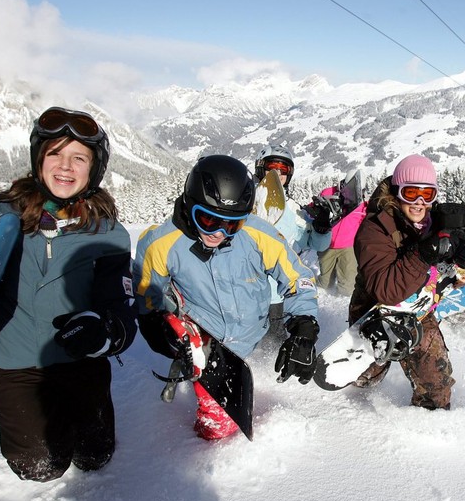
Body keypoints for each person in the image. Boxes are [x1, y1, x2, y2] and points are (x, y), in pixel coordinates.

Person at [0, 107, 137, 482]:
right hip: (10, 360)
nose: (66, 166)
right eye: (55, 154)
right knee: (41, 467)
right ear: (38, 159)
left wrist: (105, 332)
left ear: (93, 169)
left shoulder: (107, 233)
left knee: (95, 456)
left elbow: (120, 307)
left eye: (78, 158)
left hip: (78, 356)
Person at [133, 155, 320, 441]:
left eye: (231, 225)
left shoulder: (257, 234)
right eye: (208, 220)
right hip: (209, 347)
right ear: (189, 204)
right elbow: (148, 302)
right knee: (220, 429)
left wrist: (304, 326)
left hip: (255, 333)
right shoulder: (161, 243)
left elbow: (298, 277)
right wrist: (163, 335)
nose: (218, 233)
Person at [349, 154, 465, 410]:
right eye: (411, 192)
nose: (418, 202)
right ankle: (357, 401)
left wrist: (457, 262)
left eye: (427, 195)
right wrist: (425, 252)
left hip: (418, 310)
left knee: (436, 384)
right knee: (369, 370)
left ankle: (425, 432)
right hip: (376, 310)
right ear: (397, 193)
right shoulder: (375, 229)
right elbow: (387, 290)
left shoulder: (433, 223)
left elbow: (444, 258)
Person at [254, 145, 332, 336]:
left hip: (277, 294)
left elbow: (316, 244)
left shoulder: (293, 210)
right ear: (260, 168)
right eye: (272, 168)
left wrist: (321, 228)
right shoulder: (247, 200)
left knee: (273, 341)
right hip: (247, 290)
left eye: (284, 170)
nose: (278, 174)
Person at [315, 170, 368, 297]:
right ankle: (320, 298)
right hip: (327, 243)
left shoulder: (363, 204)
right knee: (325, 283)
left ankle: (342, 307)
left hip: (348, 247)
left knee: (348, 286)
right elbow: (314, 210)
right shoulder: (328, 193)